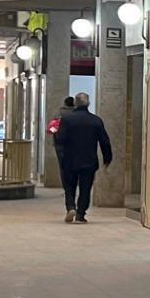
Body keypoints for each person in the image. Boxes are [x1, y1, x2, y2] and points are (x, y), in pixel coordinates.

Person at [56, 92, 112, 224]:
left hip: (70, 160)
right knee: (85, 188)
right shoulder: (96, 120)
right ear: (89, 103)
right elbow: (104, 141)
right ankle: (80, 214)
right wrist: (107, 158)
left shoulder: (67, 120)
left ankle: (70, 207)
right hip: (89, 160)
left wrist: (61, 155)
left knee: (69, 186)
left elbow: (60, 139)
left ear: (75, 103)